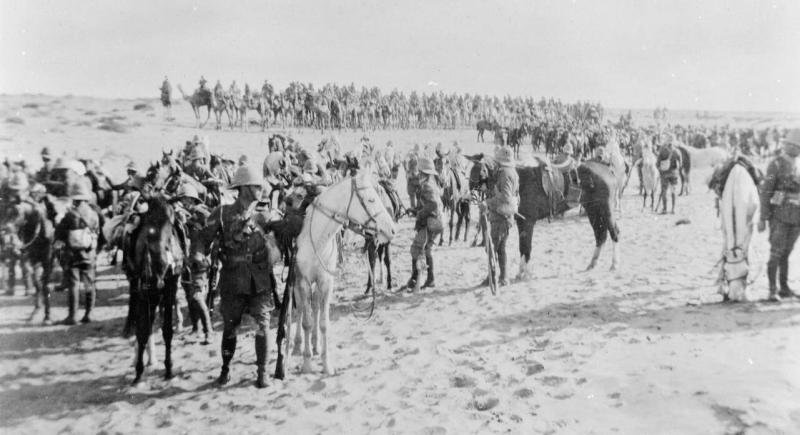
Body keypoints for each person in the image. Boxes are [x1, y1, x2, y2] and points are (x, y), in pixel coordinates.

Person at [202, 165, 280, 388]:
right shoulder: (223, 214)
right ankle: (225, 369)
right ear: (244, 188)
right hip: (232, 280)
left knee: (263, 325)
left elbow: (283, 234)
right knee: (229, 327)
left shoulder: (264, 215)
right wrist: (199, 254)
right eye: (256, 186)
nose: (260, 189)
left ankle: (263, 372)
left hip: (259, 280)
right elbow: (203, 238)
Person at [758, 128, 800, 302]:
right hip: (779, 216)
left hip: (797, 217)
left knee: (787, 253)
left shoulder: (799, 164)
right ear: (787, 145)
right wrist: (763, 218)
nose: (797, 149)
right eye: (795, 146)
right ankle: (772, 289)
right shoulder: (775, 164)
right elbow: (766, 192)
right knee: (776, 253)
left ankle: (784, 287)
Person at [54, 181, 100, 325]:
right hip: (89, 254)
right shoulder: (93, 214)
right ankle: (89, 313)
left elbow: (59, 235)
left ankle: (72, 316)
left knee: (73, 284)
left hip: (72, 255)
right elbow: (97, 233)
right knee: (88, 283)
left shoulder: (69, 215)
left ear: (74, 199)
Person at [175, 183, 213, 344]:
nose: (182, 204)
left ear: (191, 199)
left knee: (197, 296)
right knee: (190, 296)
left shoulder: (202, 213)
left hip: (199, 261)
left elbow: (209, 231)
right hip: (188, 260)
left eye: (184, 201)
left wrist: (188, 221)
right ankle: (196, 329)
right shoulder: (185, 214)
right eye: (181, 201)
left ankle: (208, 332)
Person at [402, 157, 442, 292]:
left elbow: (433, 204)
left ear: (424, 173)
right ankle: (430, 280)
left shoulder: (427, 186)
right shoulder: (431, 183)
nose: (418, 174)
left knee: (415, 249)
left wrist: (419, 214)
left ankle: (414, 280)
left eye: (420, 172)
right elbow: (427, 204)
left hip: (430, 223)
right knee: (427, 250)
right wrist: (414, 210)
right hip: (436, 222)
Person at [483, 146, 519, 286]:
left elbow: (505, 197)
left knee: (493, 247)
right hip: (506, 215)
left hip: (500, 216)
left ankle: (494, 277)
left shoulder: (504, 173)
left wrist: (487, 202)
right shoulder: (513, 172)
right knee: (500, 247)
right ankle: (502, 277)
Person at [656, 134, 682, 214]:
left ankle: (664, 209)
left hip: (664, 174)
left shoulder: (662, 150)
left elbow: (657, 163)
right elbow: (680, 164)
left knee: (664, 191)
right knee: (673, 191)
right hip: (674, 173)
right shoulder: (677, 151)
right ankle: (673, 209)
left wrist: (660, 170)